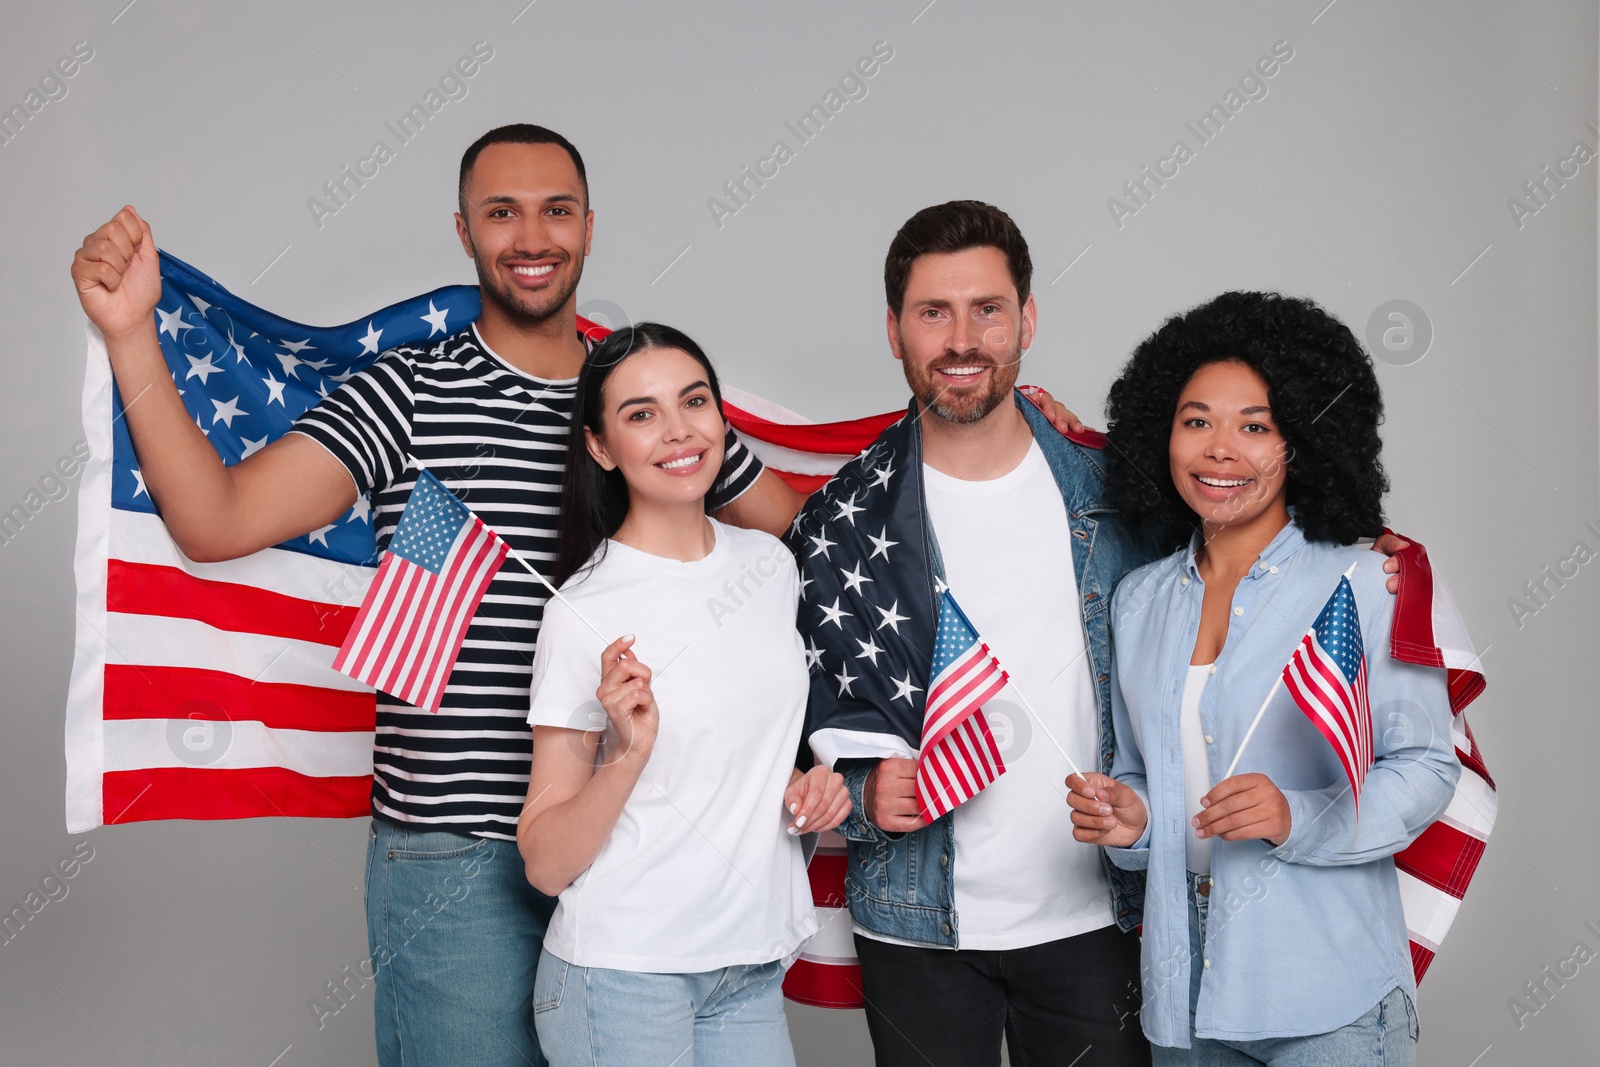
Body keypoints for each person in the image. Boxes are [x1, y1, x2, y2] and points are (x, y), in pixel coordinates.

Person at [68, 125, 806, 1067]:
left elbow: (812, 542)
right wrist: (132, 333)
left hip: (635, 853)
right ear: (464, 231)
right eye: (503, 212)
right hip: (459, 859)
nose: (531, 236)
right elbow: (215, 520)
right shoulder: (405, 393)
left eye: (555, 210)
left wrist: (990, 431)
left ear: (590, 226)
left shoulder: (644, 405)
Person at [1066, 291, 1462, 1065]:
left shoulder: (1363, 585)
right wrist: (1133, 822)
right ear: (1162, 433)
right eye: (1196, 420)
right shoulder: (1138, 601)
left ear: (1303, 443)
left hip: (1329, 992)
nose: (1221, 449)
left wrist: (1296, 814)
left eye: (1256, 426)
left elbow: (1426, 767)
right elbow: (1146, 775)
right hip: (1184, 993)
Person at [518, 322, 849, 1065]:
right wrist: (628, 755)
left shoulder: (771, 567)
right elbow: (544, 860)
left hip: (747, 966)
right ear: (600, 447)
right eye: (641, 413)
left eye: (693, 401)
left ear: (722, 417)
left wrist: (810, 788)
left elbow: (738, 754)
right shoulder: (581, 611)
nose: (678, 431)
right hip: (624, 974)